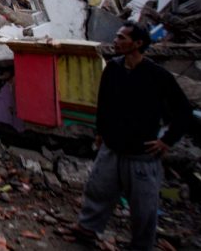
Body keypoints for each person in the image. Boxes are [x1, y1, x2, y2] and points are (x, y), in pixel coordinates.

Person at [72, 21, 192, 250]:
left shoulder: (157, 76)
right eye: (117, 37)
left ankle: (141, 245)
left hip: (141, 153)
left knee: (143, 205)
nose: (116, 41)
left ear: (137, 43)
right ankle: (87, 228)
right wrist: (100, 131)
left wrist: (167, 141)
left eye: (121, 38)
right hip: (112, 145)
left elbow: (184, 111)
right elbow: (104, 102)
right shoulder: (114, 68)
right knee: (98, 189)